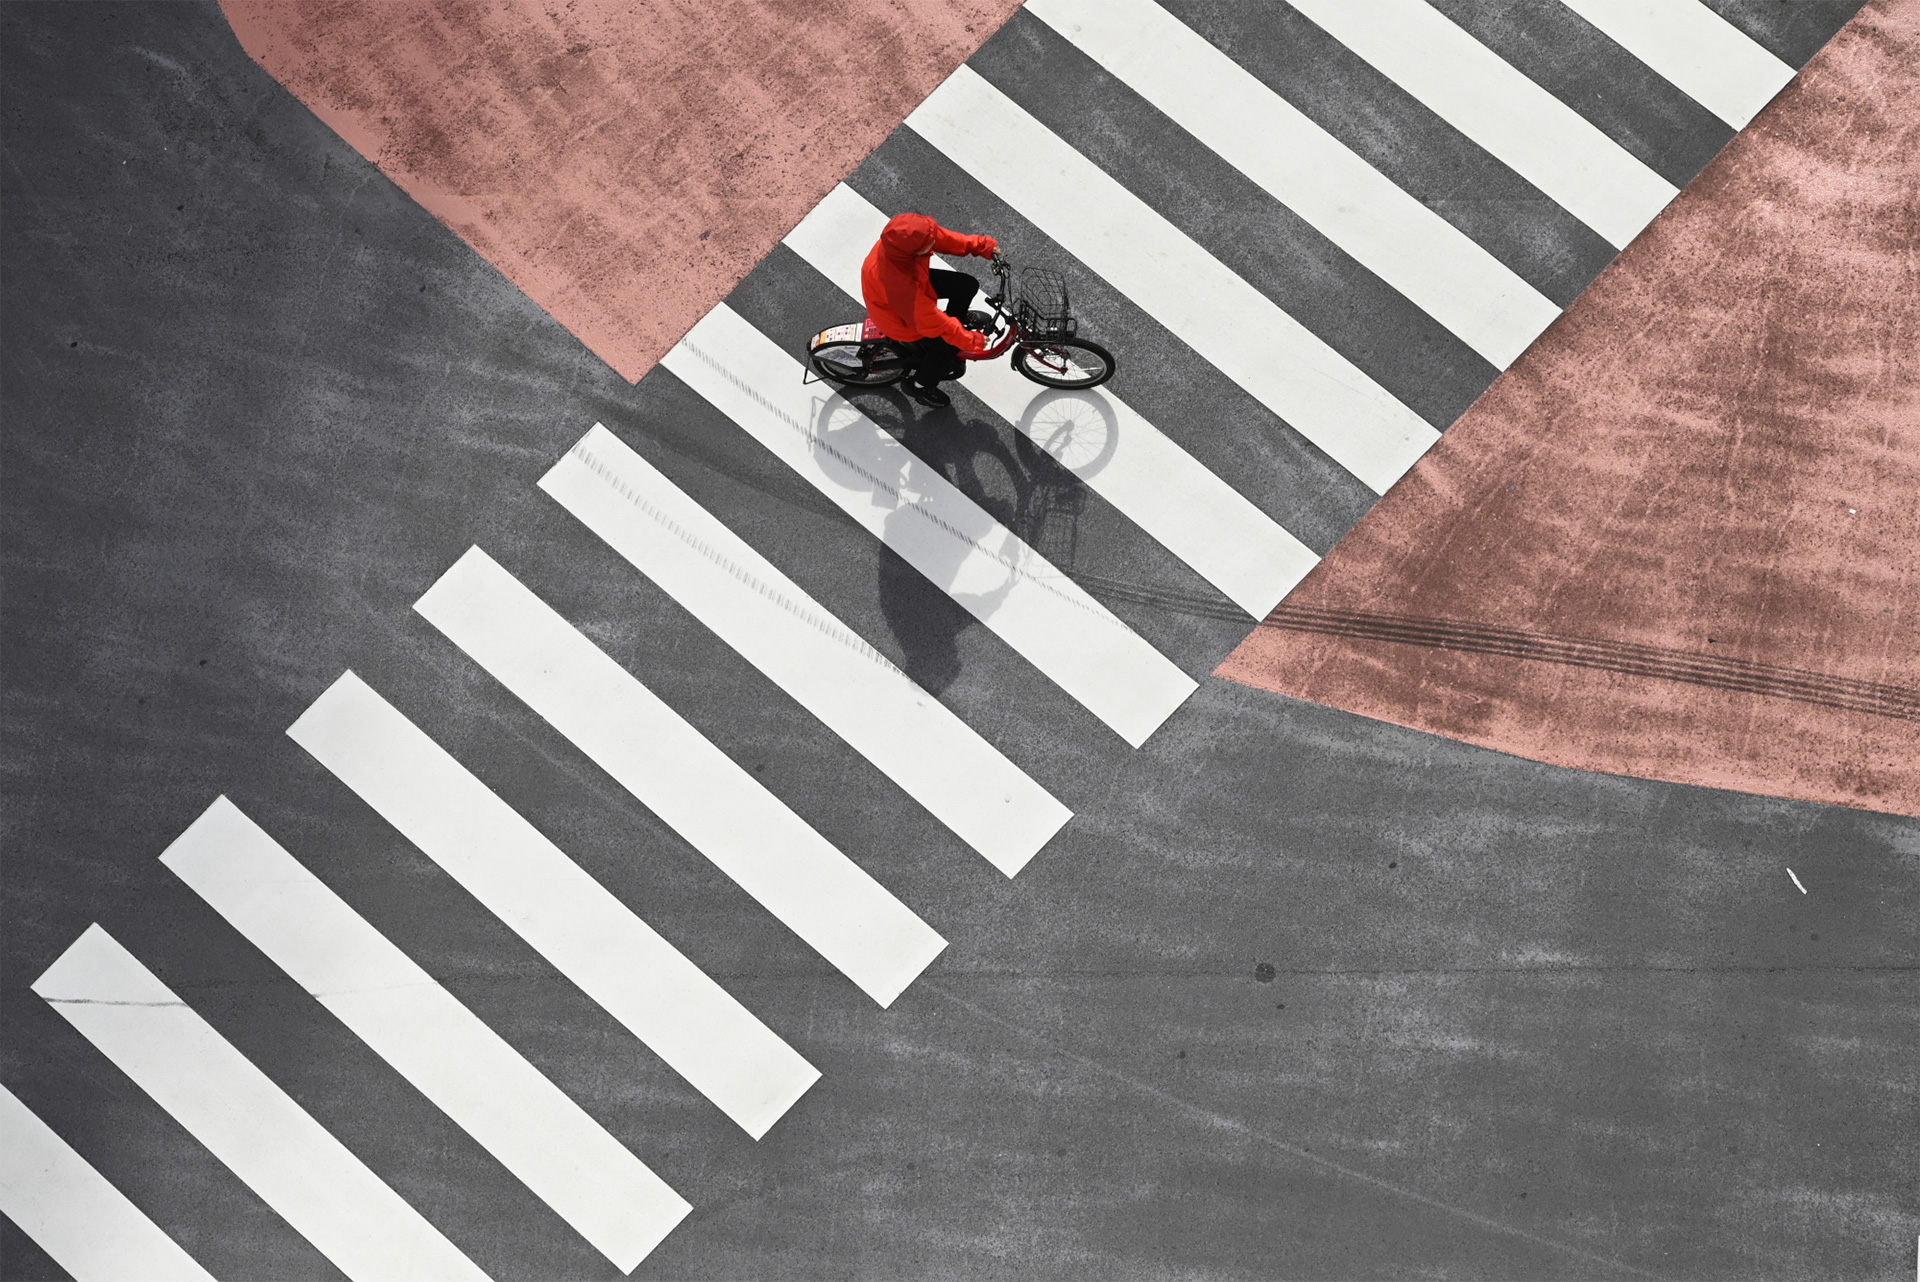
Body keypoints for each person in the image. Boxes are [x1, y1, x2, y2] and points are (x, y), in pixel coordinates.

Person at [860, 212, 999, 408]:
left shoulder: (903, 244)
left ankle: (956, 321)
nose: (932, 242)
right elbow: (930, 323)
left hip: (914, 284)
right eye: (928, 241)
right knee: (949, 346)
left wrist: (979, 245)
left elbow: (941, 238)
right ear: (914, 250)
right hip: (901, 320)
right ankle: (920, 385)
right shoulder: (897, 284)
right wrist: (969, 340)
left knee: (966, 285)